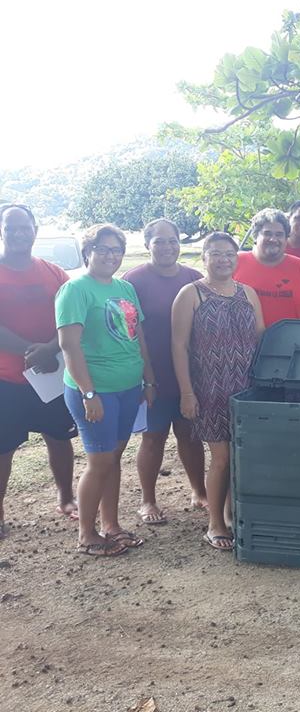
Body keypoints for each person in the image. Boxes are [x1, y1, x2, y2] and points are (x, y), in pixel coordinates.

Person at [57, 224, 157, 556]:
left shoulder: (125, 288)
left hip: (128, 387)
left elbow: (138, 337)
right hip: (95, 391)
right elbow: (70, 347)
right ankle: (87, 534)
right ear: (88, 252)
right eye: (103, 249)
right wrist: (88, 393)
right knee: (99, 461)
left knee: (113, 458)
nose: (110, 256)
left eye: (116, 250)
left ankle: (111, 525)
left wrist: (149, 379)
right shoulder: (76, 290)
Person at [172, 232, 264, 551]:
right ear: (204, 257)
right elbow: (179, 346)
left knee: (242, 458)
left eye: (229, 254)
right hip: (210, 390)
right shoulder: (191, 294)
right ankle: (215, 524)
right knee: (221, 458)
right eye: (216, 253)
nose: (224, 259)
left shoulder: (248, 293)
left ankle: (232, 512)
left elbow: (261, 338)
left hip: (246, 389)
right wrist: (187, 392)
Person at [0, 203, 77, 536]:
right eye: (10, 227)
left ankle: (65, 497)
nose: (18, 233)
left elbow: (70, 315)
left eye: (23, 227)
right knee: (3, 447)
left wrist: (51, 348)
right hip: (7, 377)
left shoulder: (54, 272)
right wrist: (31, 352)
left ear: (35, 229)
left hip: (51, 375)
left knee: (59, 437)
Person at [123, 218, 207, 522]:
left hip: (189, 373)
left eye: (172, 240)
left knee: (189, 434)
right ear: (147, 245)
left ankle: (200, 492)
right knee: (153, 436)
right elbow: (129, 332)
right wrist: (147, 378)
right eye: (159, 241)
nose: (167, 247)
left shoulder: (195, 278)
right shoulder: (133, 281)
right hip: (153, 374)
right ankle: (147, 500)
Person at [234, 208, 300, 327]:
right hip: (243, 342)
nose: (273, 239)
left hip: (290, 343)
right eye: (267, 233)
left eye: (279, 234)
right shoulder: (235, 262)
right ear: (255, 236)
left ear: (286, 238)